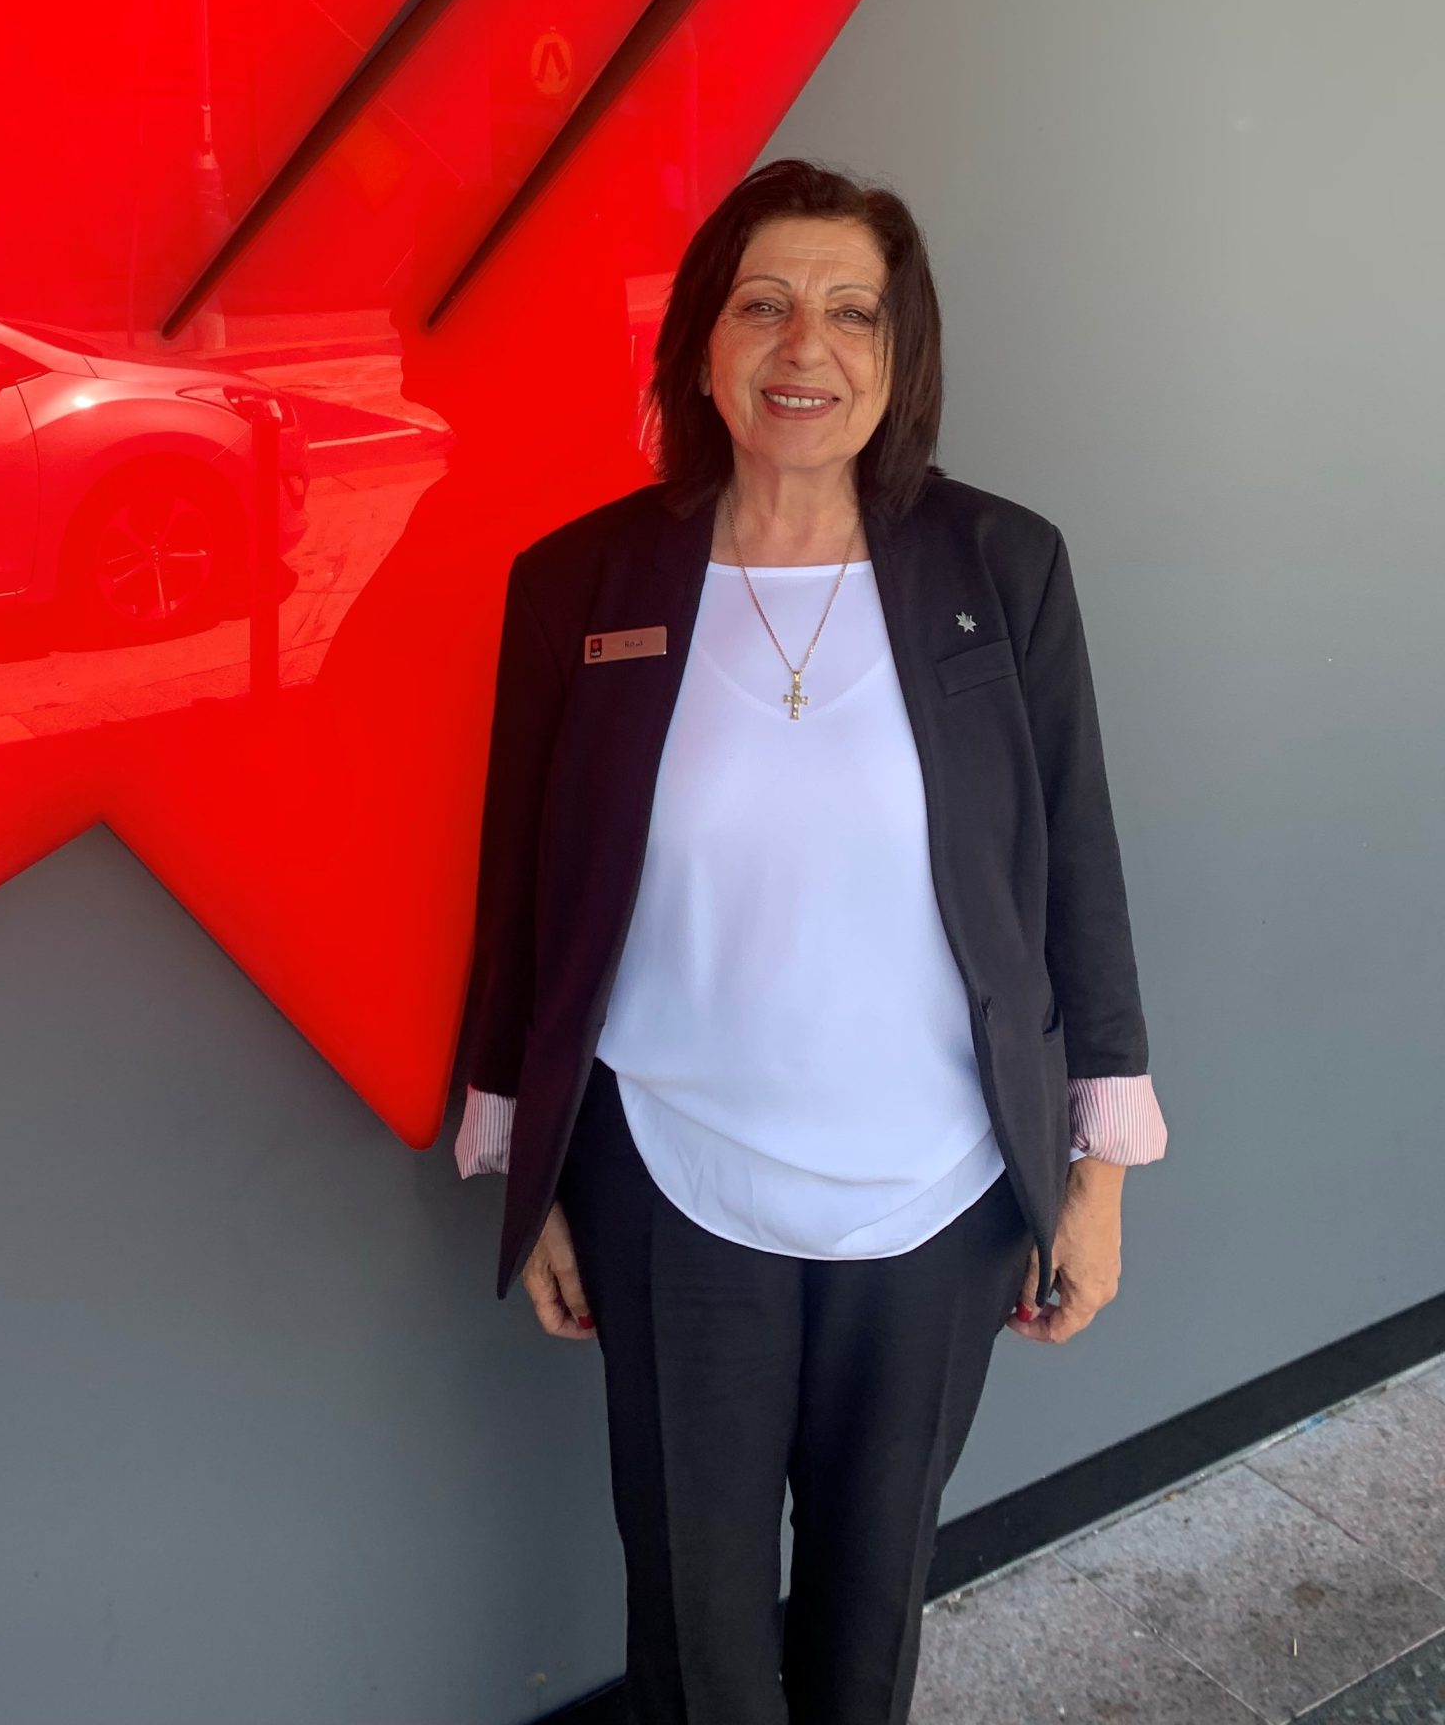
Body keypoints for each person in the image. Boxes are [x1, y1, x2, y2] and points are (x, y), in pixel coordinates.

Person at [454, 156, 1168, 1725]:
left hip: (944, 1190)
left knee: (868, 1622)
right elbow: (525, 894)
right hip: (668, 1184)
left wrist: (1095, 1176)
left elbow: (1077, 876)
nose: (805, 348)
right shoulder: (583, 581)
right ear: (703, 342)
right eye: (763, 304)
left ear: (900, 355)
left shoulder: (1002, 567)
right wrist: (539, 1175)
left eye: (853, 312)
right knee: (697, 1635)